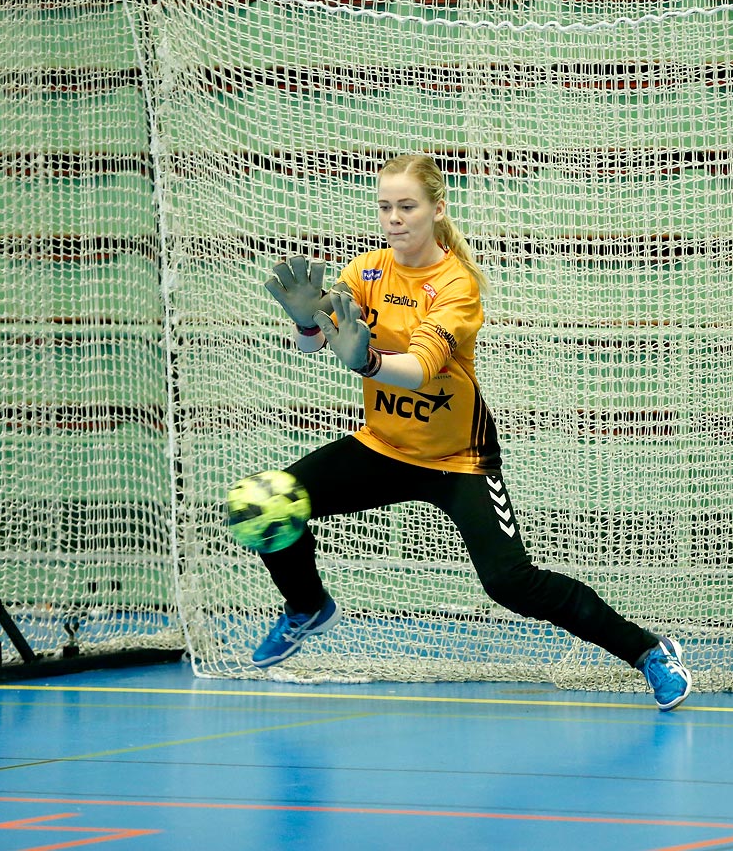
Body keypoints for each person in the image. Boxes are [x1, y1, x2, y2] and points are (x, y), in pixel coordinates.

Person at [231, 153, 692, 711]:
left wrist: (369, 364)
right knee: (273, 500)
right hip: (384, 445)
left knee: (512, 584)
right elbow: (315, 343)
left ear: (436, 208)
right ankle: (306, 606)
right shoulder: (367, 271)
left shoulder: (457, 284)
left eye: (407, 206)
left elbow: (422, 370)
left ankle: (648, 653)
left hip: (459, 459)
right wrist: (308, 322)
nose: (394, 218)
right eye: (385, 207)